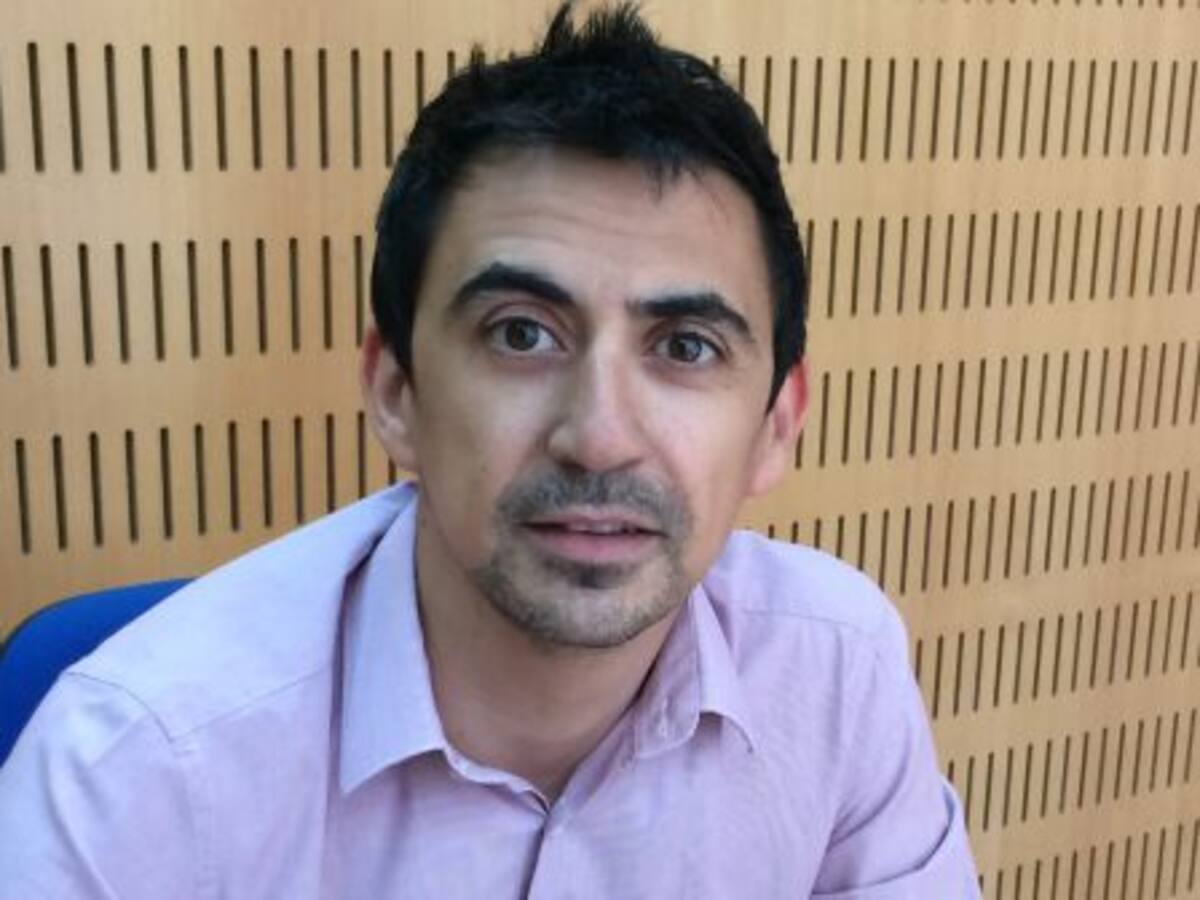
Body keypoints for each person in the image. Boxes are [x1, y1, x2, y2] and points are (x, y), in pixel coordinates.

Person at [0, 4, 980, 897]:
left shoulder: (835, 670)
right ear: (396, 393)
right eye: (522, 333)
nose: (599, 438)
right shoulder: (135, 772)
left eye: (685, 348)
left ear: (777, 426)